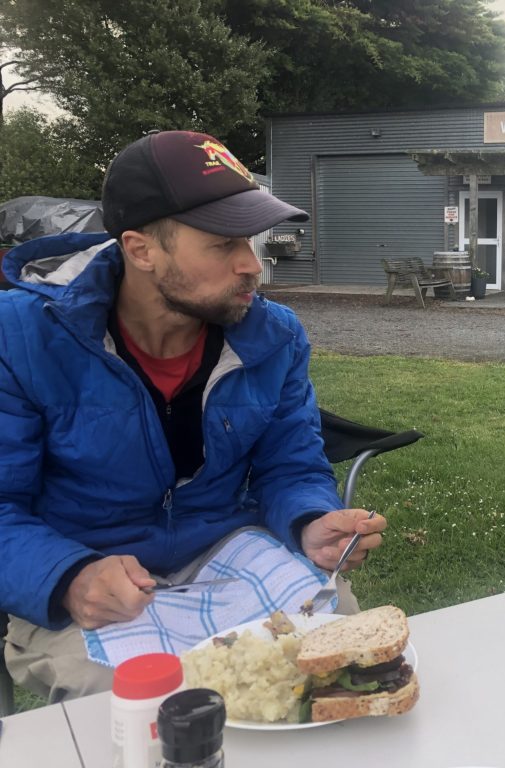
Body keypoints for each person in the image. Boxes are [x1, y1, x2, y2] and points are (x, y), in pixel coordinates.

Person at [0, 130, 387, 701]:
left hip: (224, 549)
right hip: (85, 568)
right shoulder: (21, 338)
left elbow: (291, 464)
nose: (250, 266)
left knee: (332, 655)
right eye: (223, 244)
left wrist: (310, 521)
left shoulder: (274, 336)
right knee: (148, 706)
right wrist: (68, 579)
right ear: (140, 250)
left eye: (249, 242)